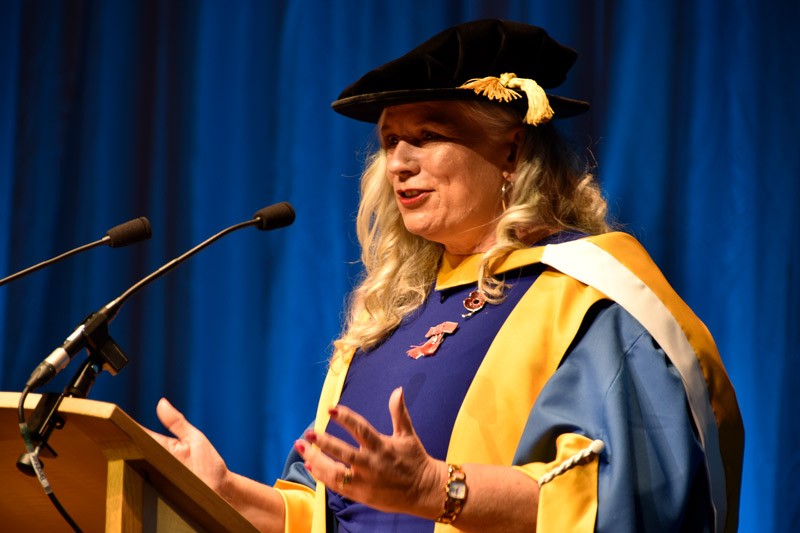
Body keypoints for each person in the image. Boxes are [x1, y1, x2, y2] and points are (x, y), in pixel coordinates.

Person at [146, 19, 743, 532]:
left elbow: (626, 502)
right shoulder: (389, 323)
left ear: (511, 153)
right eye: (389, 141)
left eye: (427, 136)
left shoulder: (589, 299)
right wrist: (224, 493)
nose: (399, 163)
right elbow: (332, 512)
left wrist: (439, 490)